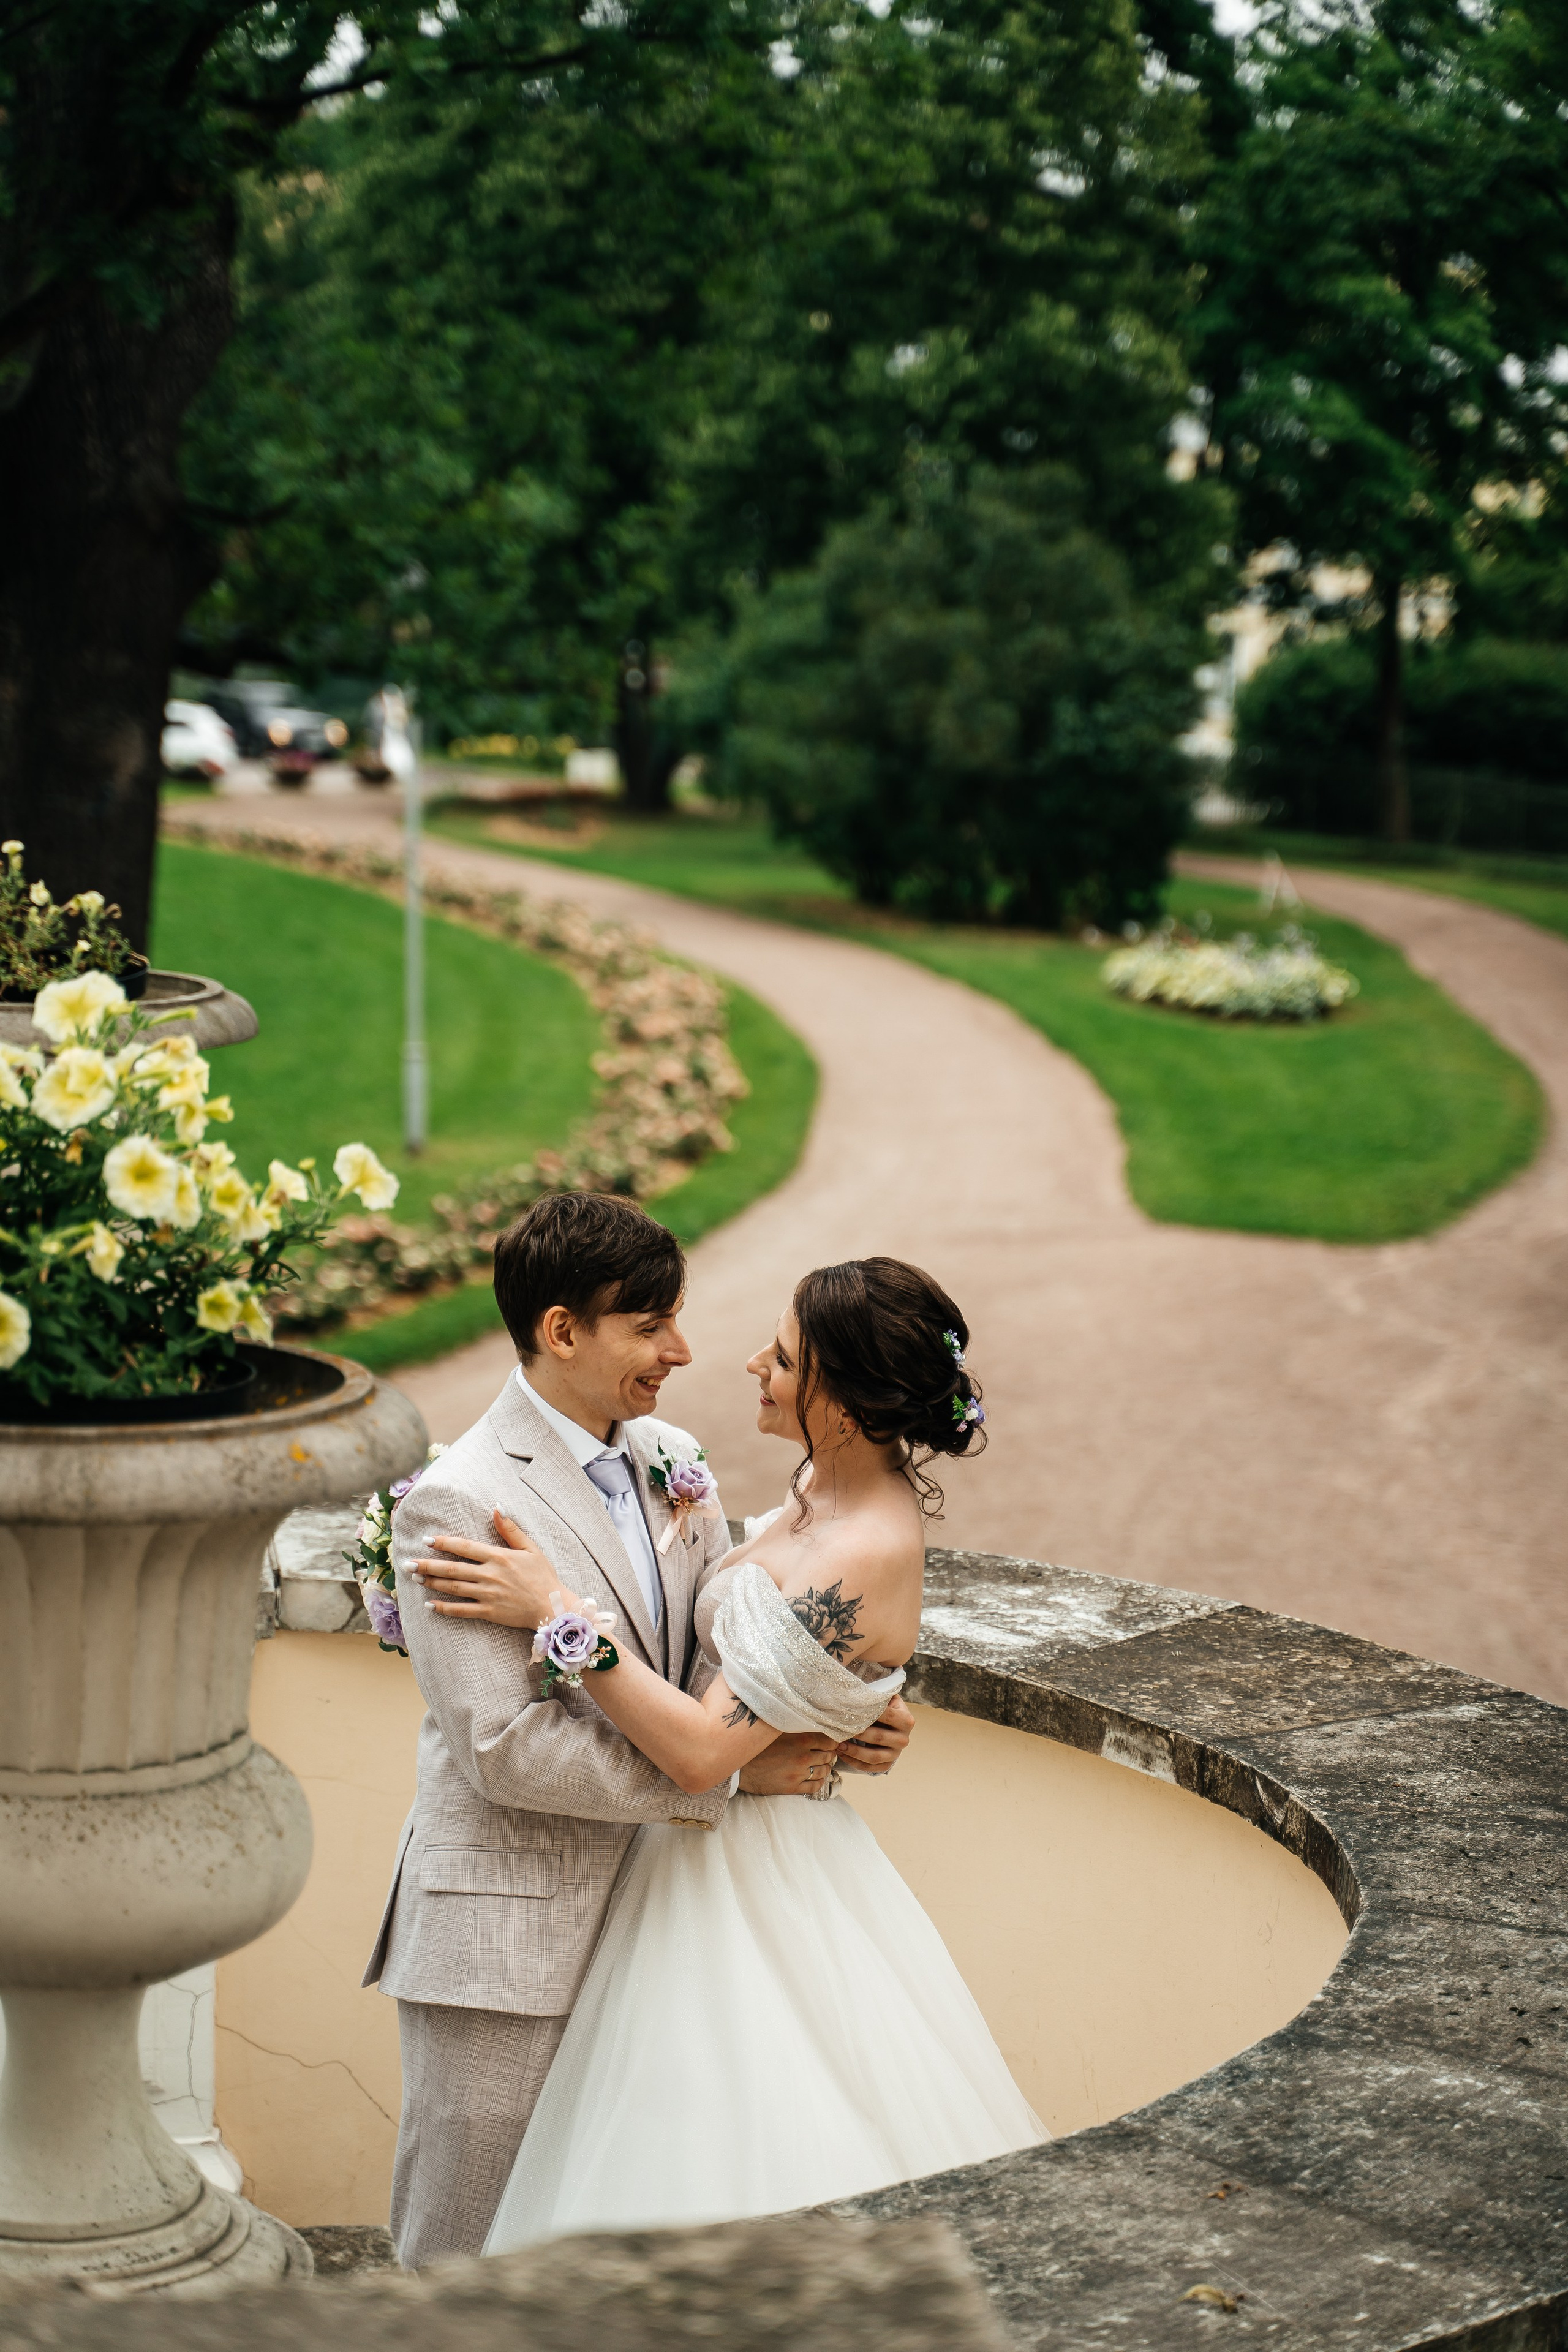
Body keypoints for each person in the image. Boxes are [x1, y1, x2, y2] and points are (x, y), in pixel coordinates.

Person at [413, 1254, 1046, 2249]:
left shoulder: (862, 1549)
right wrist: (849, 1703)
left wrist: (558, 1613)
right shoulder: (806, 1496)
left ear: (840, 1400)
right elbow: (747, 1651)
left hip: (759, 1883)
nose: (749, 1362)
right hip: (672, 1869)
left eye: (786, 1356)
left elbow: (707, 1752)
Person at [364, 1193, 914, 2267]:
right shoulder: (458, 1505)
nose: (683, 1349)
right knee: (468, 2256)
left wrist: (852, 1709)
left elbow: (739, 1651)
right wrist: (727, 1784)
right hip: (511, 1936)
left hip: (671, 1922)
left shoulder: (673, 1457)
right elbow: (503, 1752)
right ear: (563, 1330)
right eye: (651, 1325)